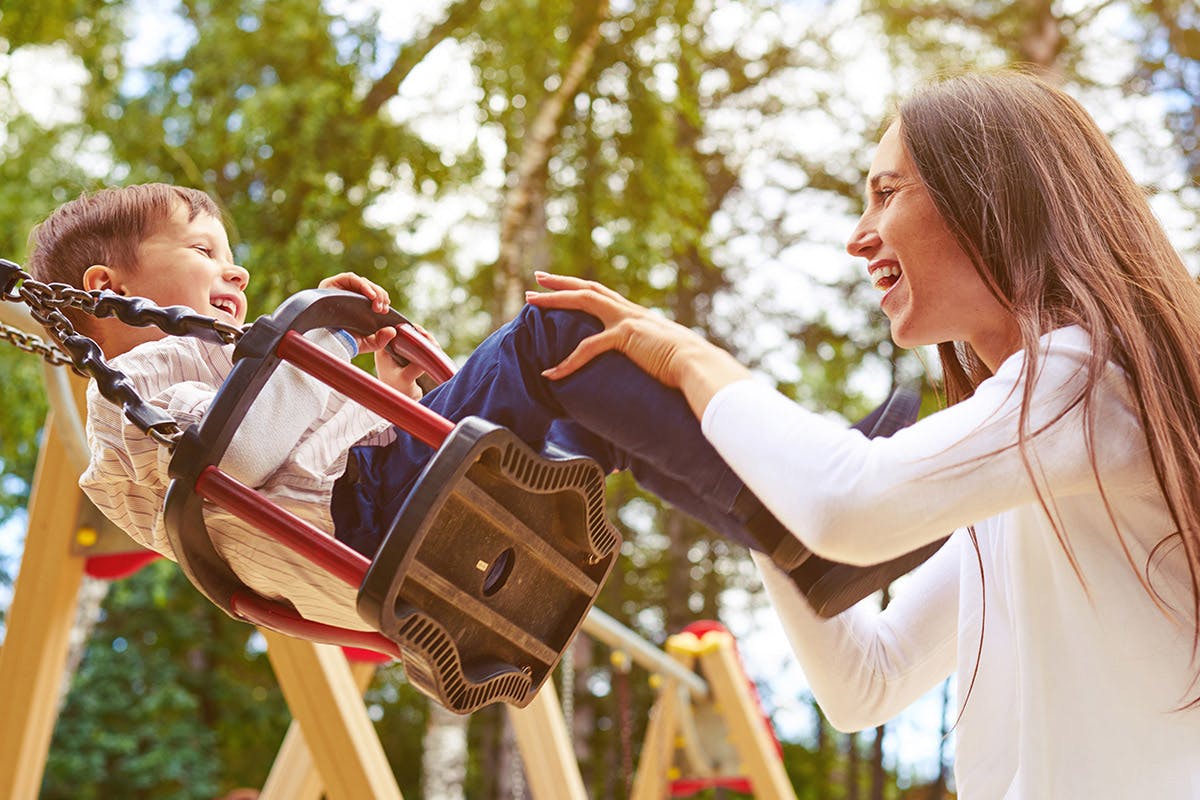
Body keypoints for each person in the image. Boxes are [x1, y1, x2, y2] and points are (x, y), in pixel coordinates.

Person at [526, 68, 1200, 796]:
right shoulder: (1031, 466)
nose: (858, 237)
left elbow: (851, 507)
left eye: (886, 193)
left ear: (990, 196)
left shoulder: (1090, 378)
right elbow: (866, 682)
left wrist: (694, 359)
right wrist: (737, 472)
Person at [26, 182, 916, 633]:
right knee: (556, 334)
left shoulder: (214, 366)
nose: (237, 272)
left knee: (597, 403)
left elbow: (301, 449)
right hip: (373, 517)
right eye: (203, 250)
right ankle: (806, 498)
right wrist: (321, 341)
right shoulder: (137, 385)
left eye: (232, 255)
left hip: (377, 513)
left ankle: (798, 530)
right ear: (110, 288)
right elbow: (237, 457)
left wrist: (390, 390)